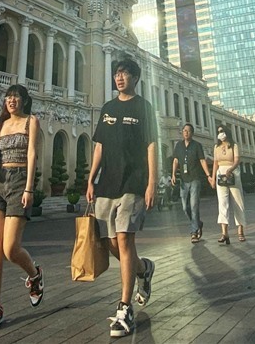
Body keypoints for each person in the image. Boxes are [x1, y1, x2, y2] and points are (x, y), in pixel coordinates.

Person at [87, 58, 158, 338]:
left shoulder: (143, 107)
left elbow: (151, 145)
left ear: (135, 78)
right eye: (117, 73)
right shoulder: (108, 108)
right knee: (110, 242)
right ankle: (143, 269)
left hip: (134, 182)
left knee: (125, 240)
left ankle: (124, 308)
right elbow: (99, 147)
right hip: (107, 183)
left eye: (125, 73)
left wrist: (151, 183)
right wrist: (91, 178)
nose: (119, 78)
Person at [0, 84, 43, 333]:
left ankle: (34, 275)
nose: (11, 100)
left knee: (10, 248)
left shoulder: (31, 121)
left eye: (16, 97)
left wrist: (29, 188)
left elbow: (32, 154)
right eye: (8, 97)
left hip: (19, 182)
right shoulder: (0, 125)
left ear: (24, 100)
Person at [208, 124, 246, 244]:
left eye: (222, 131)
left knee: (238, 202)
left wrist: (231, 170)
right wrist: (213, 178)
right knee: (222, 203)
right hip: (221, 175)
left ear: (227, 132)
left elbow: (237, 160)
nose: (221, 133)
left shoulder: (234, 145)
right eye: (219, 131)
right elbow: (215, 163)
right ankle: (224, 233)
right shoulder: (216, 147)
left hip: (233, 173)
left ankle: (240, 231)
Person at [171, 123, 208, 244]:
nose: (186, 132)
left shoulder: (197, 145)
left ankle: (194, 232)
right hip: (183, 180)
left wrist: (208, 175)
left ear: (192, 133)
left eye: (188, 131)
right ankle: (198, 223)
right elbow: (175, 160)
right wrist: (173, 174)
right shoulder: (178, 145)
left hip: (195, 179)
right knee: (184, 207)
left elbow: (202, 160)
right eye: (184, 130)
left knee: (194, 206)